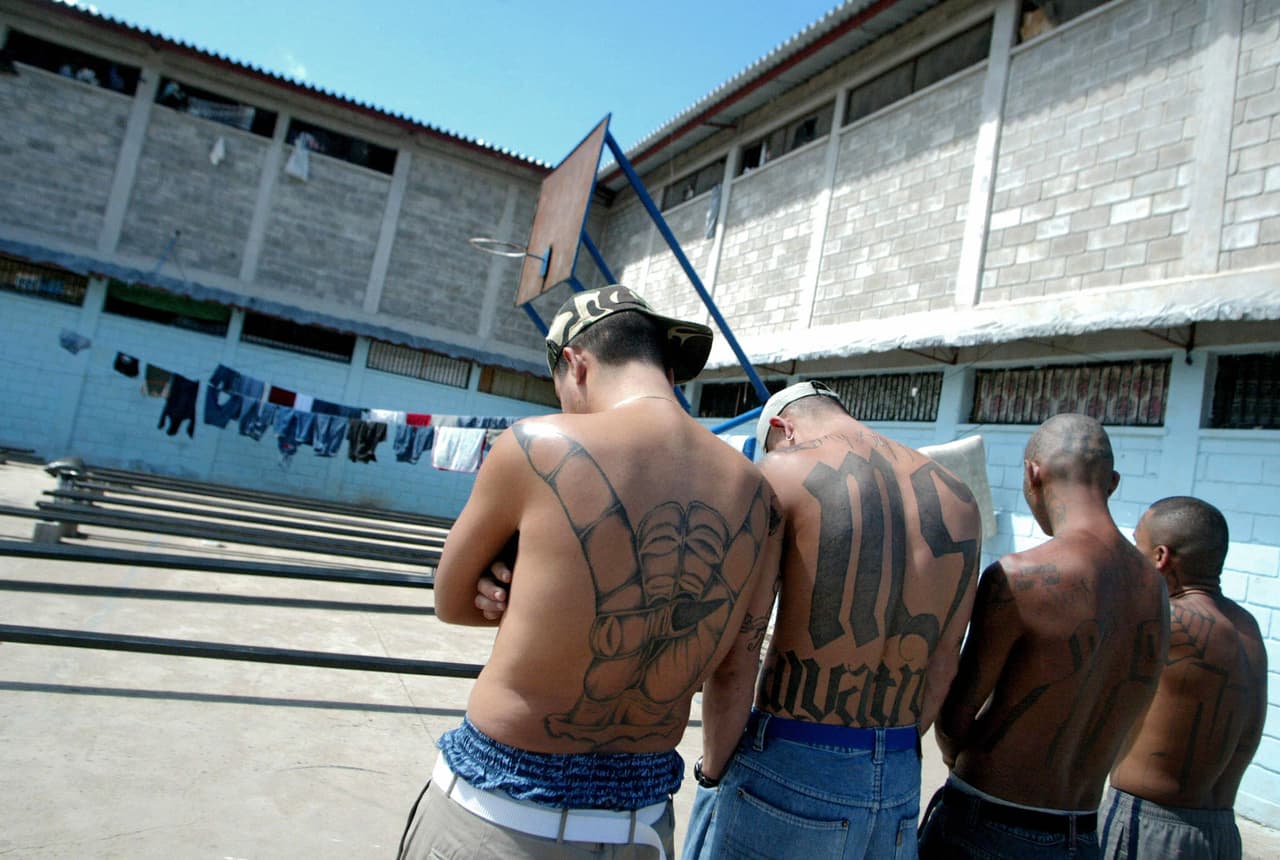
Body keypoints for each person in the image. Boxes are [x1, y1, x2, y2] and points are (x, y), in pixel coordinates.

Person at [398, 285, 783, 860]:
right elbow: (733, 667)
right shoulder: (758, 494)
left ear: (575, 365)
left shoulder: (535, 445)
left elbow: (449, 600)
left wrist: (512, 593)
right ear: (668, 372)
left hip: (499, 816)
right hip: (641, 825)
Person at [684, 381, 984, 860]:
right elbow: (944, 663)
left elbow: (738, 657)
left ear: (783, 429)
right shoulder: (958, 496)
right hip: (900, 773)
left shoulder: (783, 471)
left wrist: (711, 770)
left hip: (795, 758)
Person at [919, 413, 1171, 859]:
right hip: (1082, 831)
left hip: (989, 825)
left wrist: (956, 755)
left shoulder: (1019, 577)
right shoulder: (1155, 588)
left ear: (1033, 473)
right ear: (1111, 482)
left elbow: (955, 715)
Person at [1101, 496, 1267, 859]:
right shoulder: (1247, 627)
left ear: (1160, 557)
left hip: (1151, 829)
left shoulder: (1165, 619)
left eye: (1136, 544)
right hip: (1222, 832)